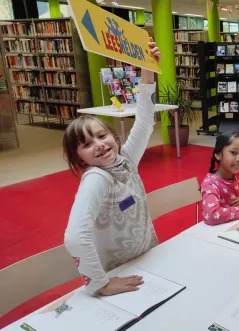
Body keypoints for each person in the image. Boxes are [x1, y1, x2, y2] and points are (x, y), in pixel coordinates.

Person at [63, 38, 161, 297]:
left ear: (113, 137)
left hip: (148, 257)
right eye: (86, 144)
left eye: (101, 135)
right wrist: (100, 284)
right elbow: (74, 236)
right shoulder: (97, 178)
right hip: (120, 273)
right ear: (80, 158)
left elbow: (144, 121)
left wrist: (147, 67)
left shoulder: (125, 160)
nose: (98, 145)